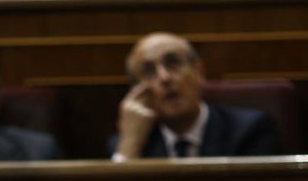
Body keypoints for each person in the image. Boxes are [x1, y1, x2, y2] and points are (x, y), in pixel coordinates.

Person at [110, 32, 279, 161]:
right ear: (137, 92)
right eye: (149, 71)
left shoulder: (250, 131)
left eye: (173, 63)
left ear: (199, 71)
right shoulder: (128, 144)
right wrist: (131, 143)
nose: (164, 78)